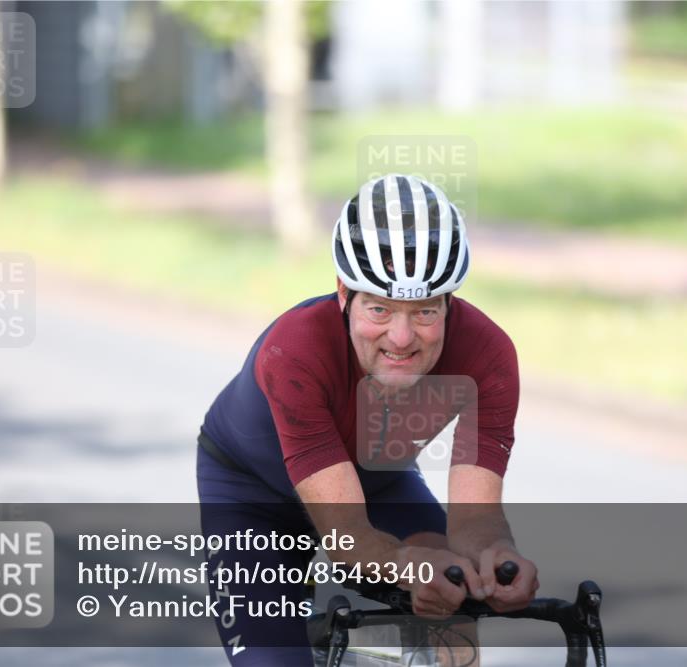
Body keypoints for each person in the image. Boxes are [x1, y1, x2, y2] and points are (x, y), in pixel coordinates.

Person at [197, 174, 538, 665]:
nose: (400, 338)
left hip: (379, 484)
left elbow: (477, 521)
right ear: (343, 294)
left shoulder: (487, 355)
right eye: (379, 309)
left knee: (456, 605)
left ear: (449, 303)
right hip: (251, 495)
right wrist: (405, 565)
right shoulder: (295, 350)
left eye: (424, 312)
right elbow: (346, 536)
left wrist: (496, 561)